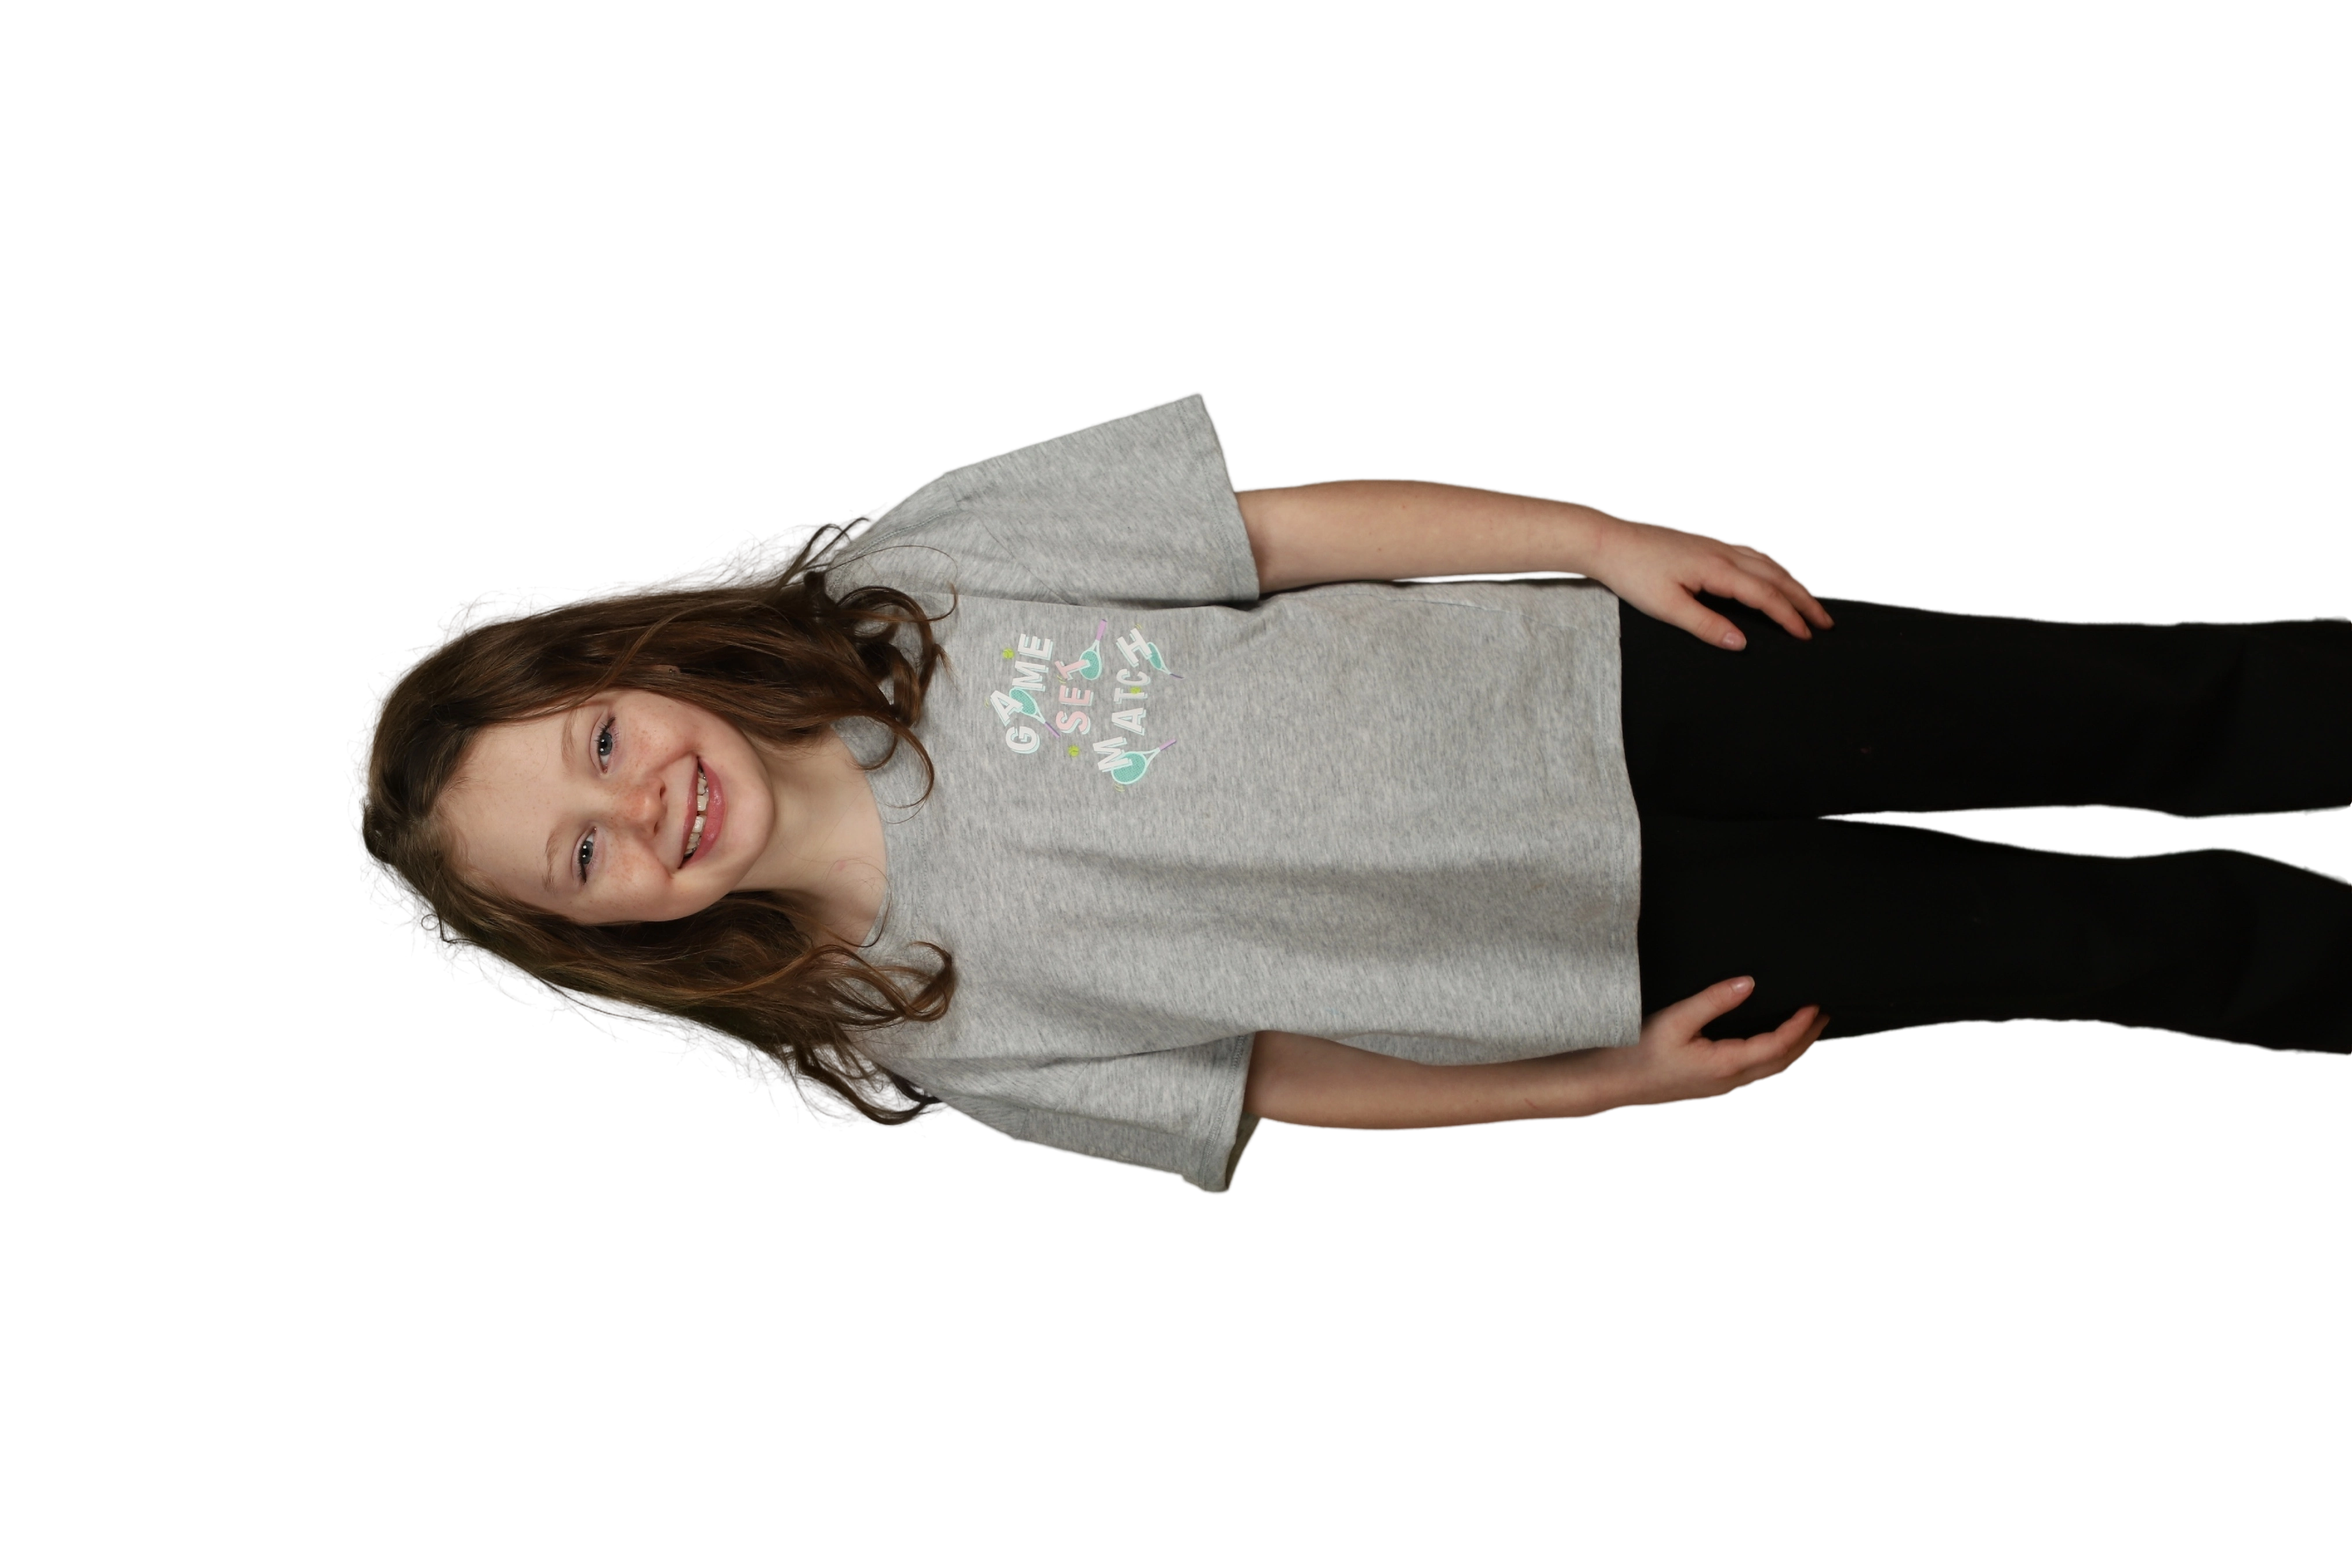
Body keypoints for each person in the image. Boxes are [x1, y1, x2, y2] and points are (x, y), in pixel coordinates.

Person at [345, 391, 2352, 1196]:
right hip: (1606, 952)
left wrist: (1595, 544)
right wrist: (1600, 1086)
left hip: (1622, 683)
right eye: (582, 860)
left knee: (2122, 705)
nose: (638, 807)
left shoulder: (917, 578)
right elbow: (1276, 1083)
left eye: (592, 748)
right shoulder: (910, 1026)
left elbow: (1279, 535)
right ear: (610, 940)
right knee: (2092, 943)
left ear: (621, 667)